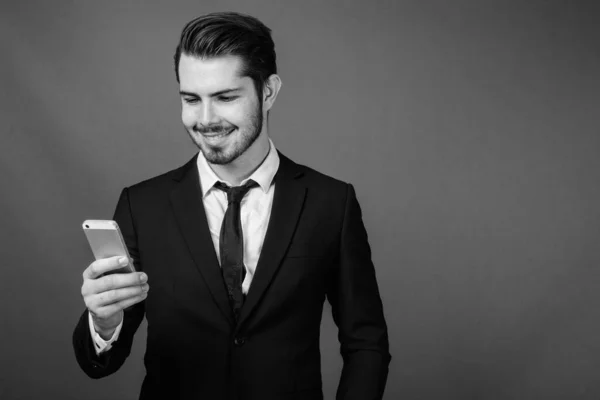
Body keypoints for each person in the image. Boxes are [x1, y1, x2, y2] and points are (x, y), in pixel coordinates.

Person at [73, 11, 391, 400]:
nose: (205, 119)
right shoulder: (142, 205)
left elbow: (366, 343)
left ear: (269, 91)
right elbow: (101, 361)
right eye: (191, 99)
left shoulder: (331, 203)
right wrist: (104, 322)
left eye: (225, 97)